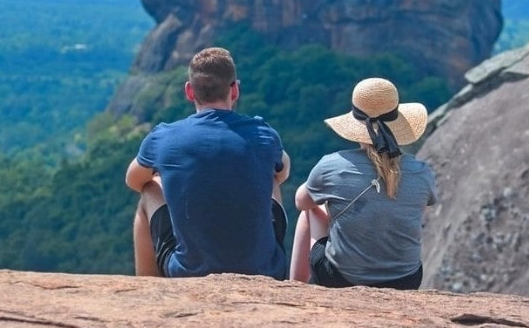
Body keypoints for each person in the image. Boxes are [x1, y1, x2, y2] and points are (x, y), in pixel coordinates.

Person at [125, 47, 290, 280]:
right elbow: (283, 171)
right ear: (235, 90)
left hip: (187, 273)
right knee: (271, 175)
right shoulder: (264, 133)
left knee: (149, 189)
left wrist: (171, 179)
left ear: (190, 92)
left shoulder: (163, 138)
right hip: (266, 271)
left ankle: (149, 287)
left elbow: (133, 180)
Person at [289, 77, 437, 289]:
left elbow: (301, 202)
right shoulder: (422, 172)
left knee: (311, 210)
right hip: (406, 280)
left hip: (340, 279)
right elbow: (416, 213)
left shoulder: (332, 165)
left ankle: (295, 286)